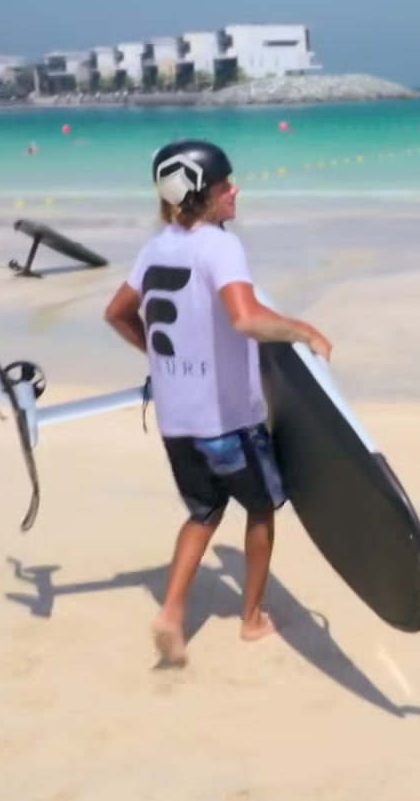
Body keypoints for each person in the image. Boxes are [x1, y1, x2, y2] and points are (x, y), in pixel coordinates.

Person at [102, 139, 332, 668]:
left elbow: (116, 312)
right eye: (226, 184)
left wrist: (159, 358)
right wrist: (304, 330)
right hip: (228, 420)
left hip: (176, 419)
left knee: (202, 513)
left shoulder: (156, 247)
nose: (235, 190)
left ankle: (171, 613)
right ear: (200, 194)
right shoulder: (220, 247)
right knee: (260, 508)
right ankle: (251, 620)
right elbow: (246, 318)